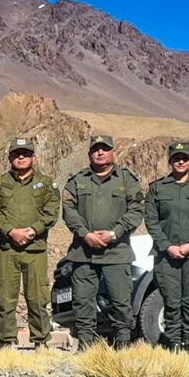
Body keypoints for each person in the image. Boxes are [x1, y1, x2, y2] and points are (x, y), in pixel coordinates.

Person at [61, 135, 145, 349]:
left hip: (117, 252)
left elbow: (137, 210)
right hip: (83, 252)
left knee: (121, 300)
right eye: (96, 149)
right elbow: (68, 210)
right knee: (82, 301)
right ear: (89, 153)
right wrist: (85, 234)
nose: (100, 153)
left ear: (113, 153)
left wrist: (114, 233)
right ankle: (86, 345)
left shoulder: (127, 180)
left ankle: (123, 344)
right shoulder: (78, 180)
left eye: (105, 149)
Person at [0, 137, 60, 349]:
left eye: (25, 153)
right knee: (5, 297)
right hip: (7, 249)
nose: (21, 157)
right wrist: (10, 231)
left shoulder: (46, 183)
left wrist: (33, 231)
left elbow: (52, 211)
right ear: (10, 157)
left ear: (33, 157)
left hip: (35, 250)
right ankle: (6, 340)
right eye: (17, 154)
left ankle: (41, 341)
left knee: (37, 297)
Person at [144, 141, 189, 352]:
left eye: (184, 158)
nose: (180, 161)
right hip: (167, 256)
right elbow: (151, 220)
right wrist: (167, 246)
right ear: (170, 161)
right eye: (176, 158)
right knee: (171, 301)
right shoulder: (157, 188)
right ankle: (174, 344)